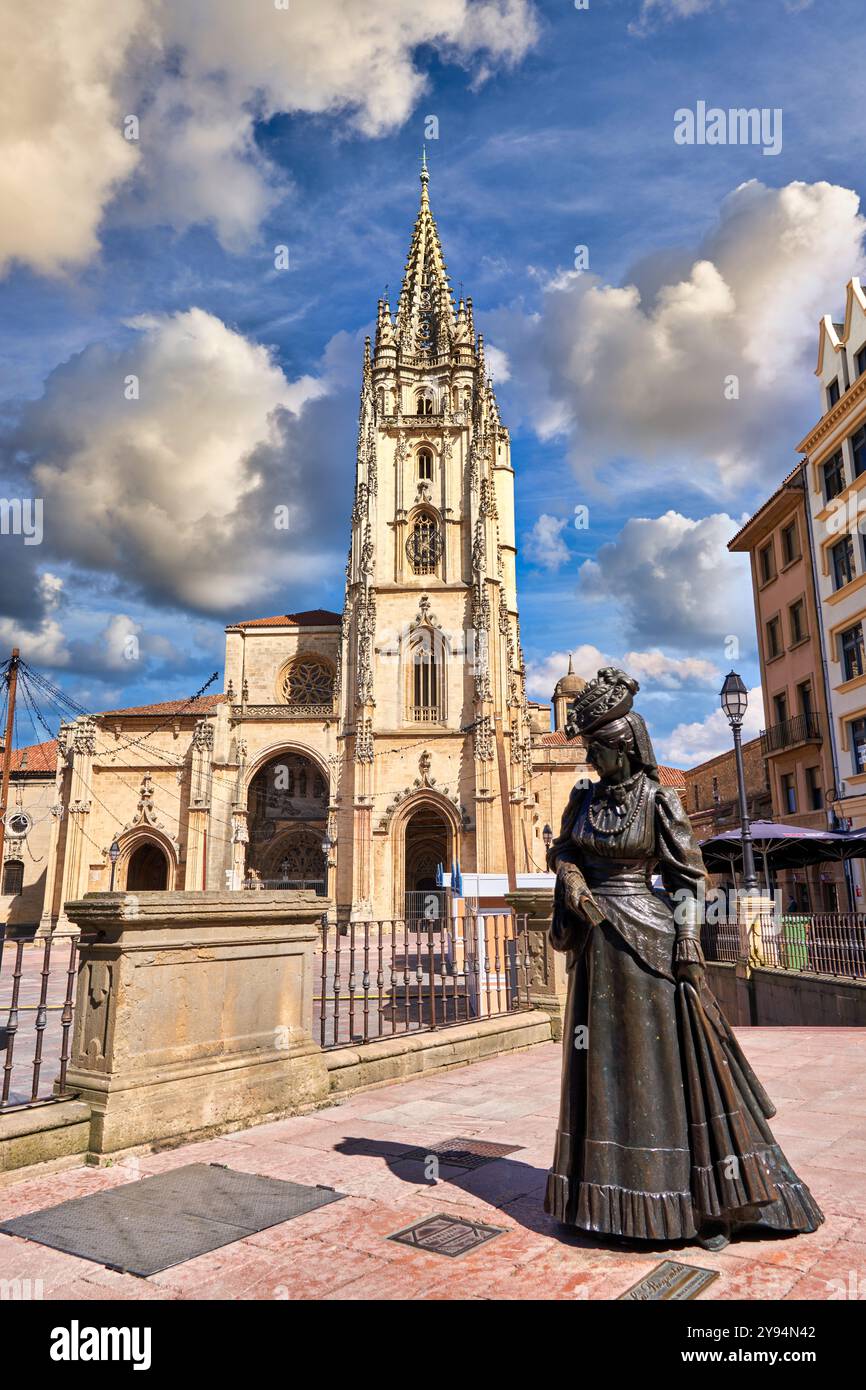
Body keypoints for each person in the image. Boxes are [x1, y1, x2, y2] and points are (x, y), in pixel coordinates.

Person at [546, 667, 823, 1249]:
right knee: (602, 1068)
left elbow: (689, 879)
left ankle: (691, 1201)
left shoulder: (659, 801)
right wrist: (571, 877)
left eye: (596, 749)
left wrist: (689, 948)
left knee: (659, 1071)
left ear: (623, 748)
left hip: (648, 946)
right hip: (597, 948)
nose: (590, 759)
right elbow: (563, 850)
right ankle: (601, 1198)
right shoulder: (582, 800)